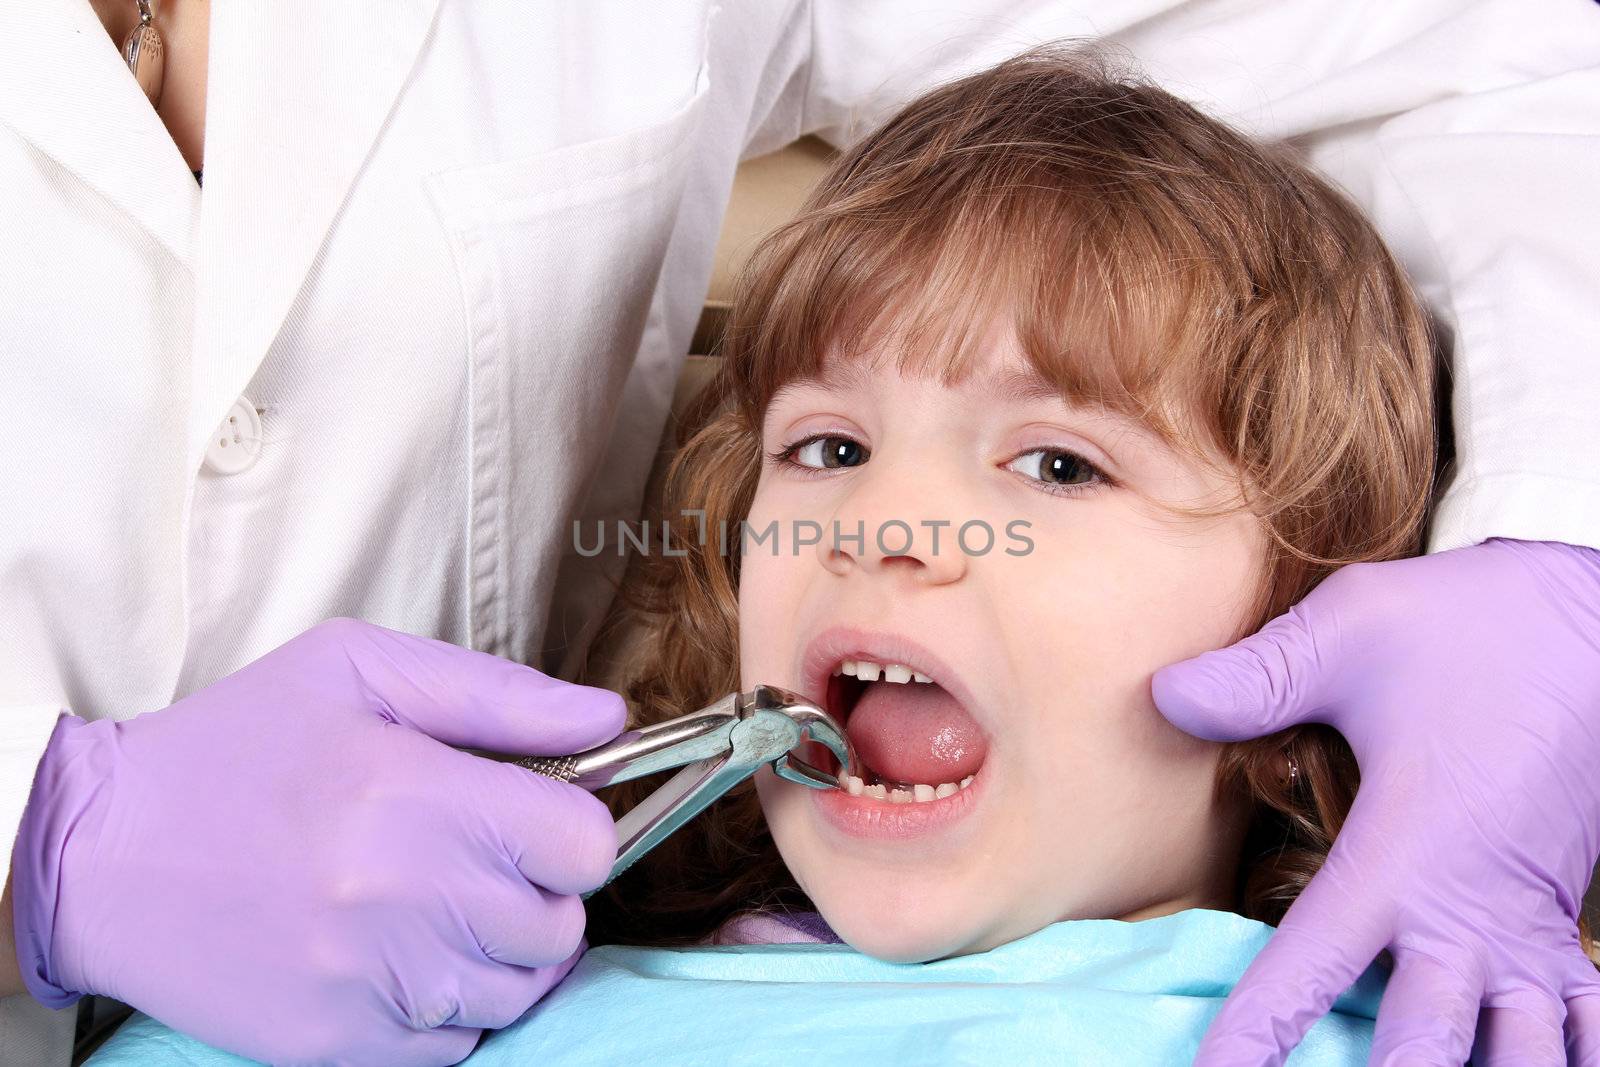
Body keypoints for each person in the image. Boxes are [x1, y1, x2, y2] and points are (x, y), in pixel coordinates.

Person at [2, 2, 1598, 1066]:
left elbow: (1487, 55)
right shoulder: (351, 1002)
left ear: (1308, 650)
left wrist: (1555, 552)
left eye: (1056, 467)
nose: (886, 527)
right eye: (827, 445)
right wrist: (44, 839)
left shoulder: (1375, 1024)